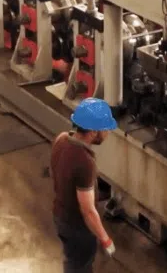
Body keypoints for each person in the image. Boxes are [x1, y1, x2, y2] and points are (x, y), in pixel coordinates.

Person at [50, 97, 118, 272]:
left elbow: (57, 173)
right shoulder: (85, 161)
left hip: (59, 214)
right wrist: (105, 239)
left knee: (72, 260)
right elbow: (87, 211)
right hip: (77, 227)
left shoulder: (62, 139)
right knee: (79, 266)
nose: (108, 132)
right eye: (105, 129)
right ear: (94, 132)